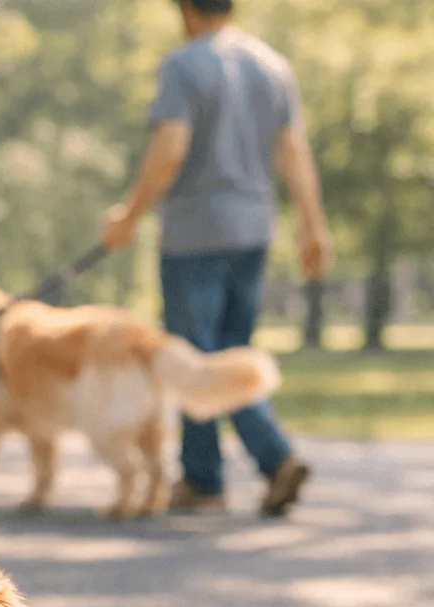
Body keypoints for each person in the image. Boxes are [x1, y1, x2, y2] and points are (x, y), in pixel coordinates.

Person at [99, 0, 333, 517]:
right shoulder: (272, 65)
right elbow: (293, 152)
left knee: (191, 359)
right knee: (232, 353)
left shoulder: (183, 64)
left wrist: (131, 214)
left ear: (185, 10)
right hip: (253, 230)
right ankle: (264, 463)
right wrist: (313, 226)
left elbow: (171, 146)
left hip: (194, 233)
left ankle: (213, 479)